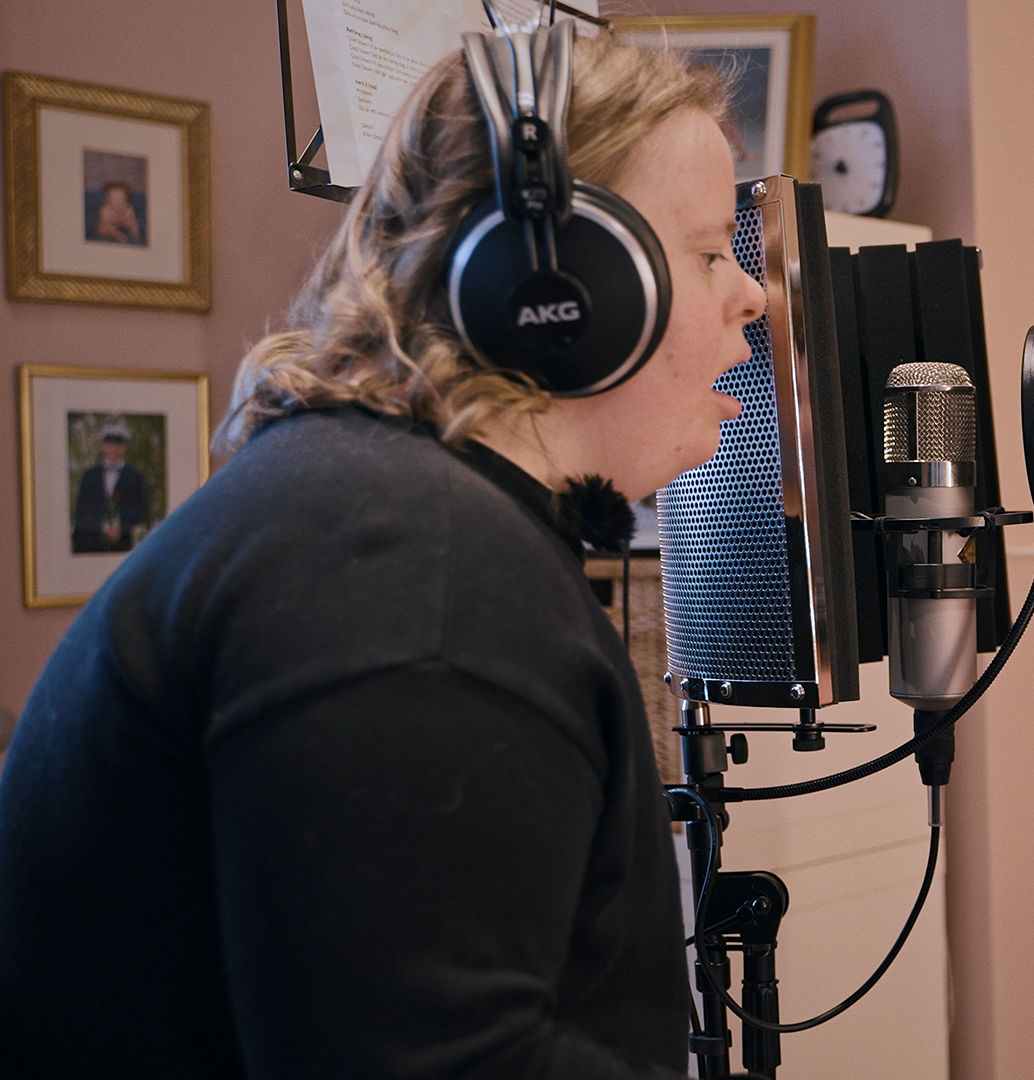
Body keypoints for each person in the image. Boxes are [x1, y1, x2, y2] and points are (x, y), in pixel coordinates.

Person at [0, 28, 764, 1080]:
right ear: (563, 287)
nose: (752, 294)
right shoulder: (420, 582)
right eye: (711, 252)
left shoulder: (392, 517)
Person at [69, 417, 150, 552]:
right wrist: (103, 528)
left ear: (124, 447)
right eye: (110, 444)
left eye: (118, 444)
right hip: (90, 545)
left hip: (124, 544)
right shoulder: (89, 476)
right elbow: (81, 512)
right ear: (103, 446)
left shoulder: (135, 476)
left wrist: (121, 528)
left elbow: (142, 512)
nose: (114, 449)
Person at [92, 179, 143, 244]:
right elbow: (107, 225)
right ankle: (114, 235)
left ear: (128, 199)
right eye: (114, 199)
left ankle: (136, 236)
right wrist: (117, 234)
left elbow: (132, 220)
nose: (118, 203)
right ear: (107, 199)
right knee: (101, 230)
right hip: (108, 224)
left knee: (134, 224)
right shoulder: (105, 211)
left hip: (123, 221)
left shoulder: (129, 208)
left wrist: (134, 230)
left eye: (122, 199)